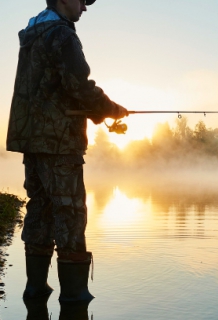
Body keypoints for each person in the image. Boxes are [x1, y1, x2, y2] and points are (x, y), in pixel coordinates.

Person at [6, 0, 128, 302]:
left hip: (32, 139)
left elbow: (52, 89)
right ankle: (74, 298)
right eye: (81, 0)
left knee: (40, 210)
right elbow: (79, 86)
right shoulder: (61, 33)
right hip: (60, 141)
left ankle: (35, 289)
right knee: (70, 214)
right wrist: (111, 109)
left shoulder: (33, 33)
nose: (84, 8)